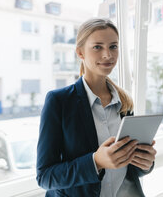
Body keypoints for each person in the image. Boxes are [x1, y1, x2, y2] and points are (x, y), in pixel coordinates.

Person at [36, 18, 156, 197]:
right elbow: (45, 177)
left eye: (113, 46)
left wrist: (145, 164)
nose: (108, 55)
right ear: (80, 53)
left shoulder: (124, 102)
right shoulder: (58, 101)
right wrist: (96, 162)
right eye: (98, 47)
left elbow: (128, 170)